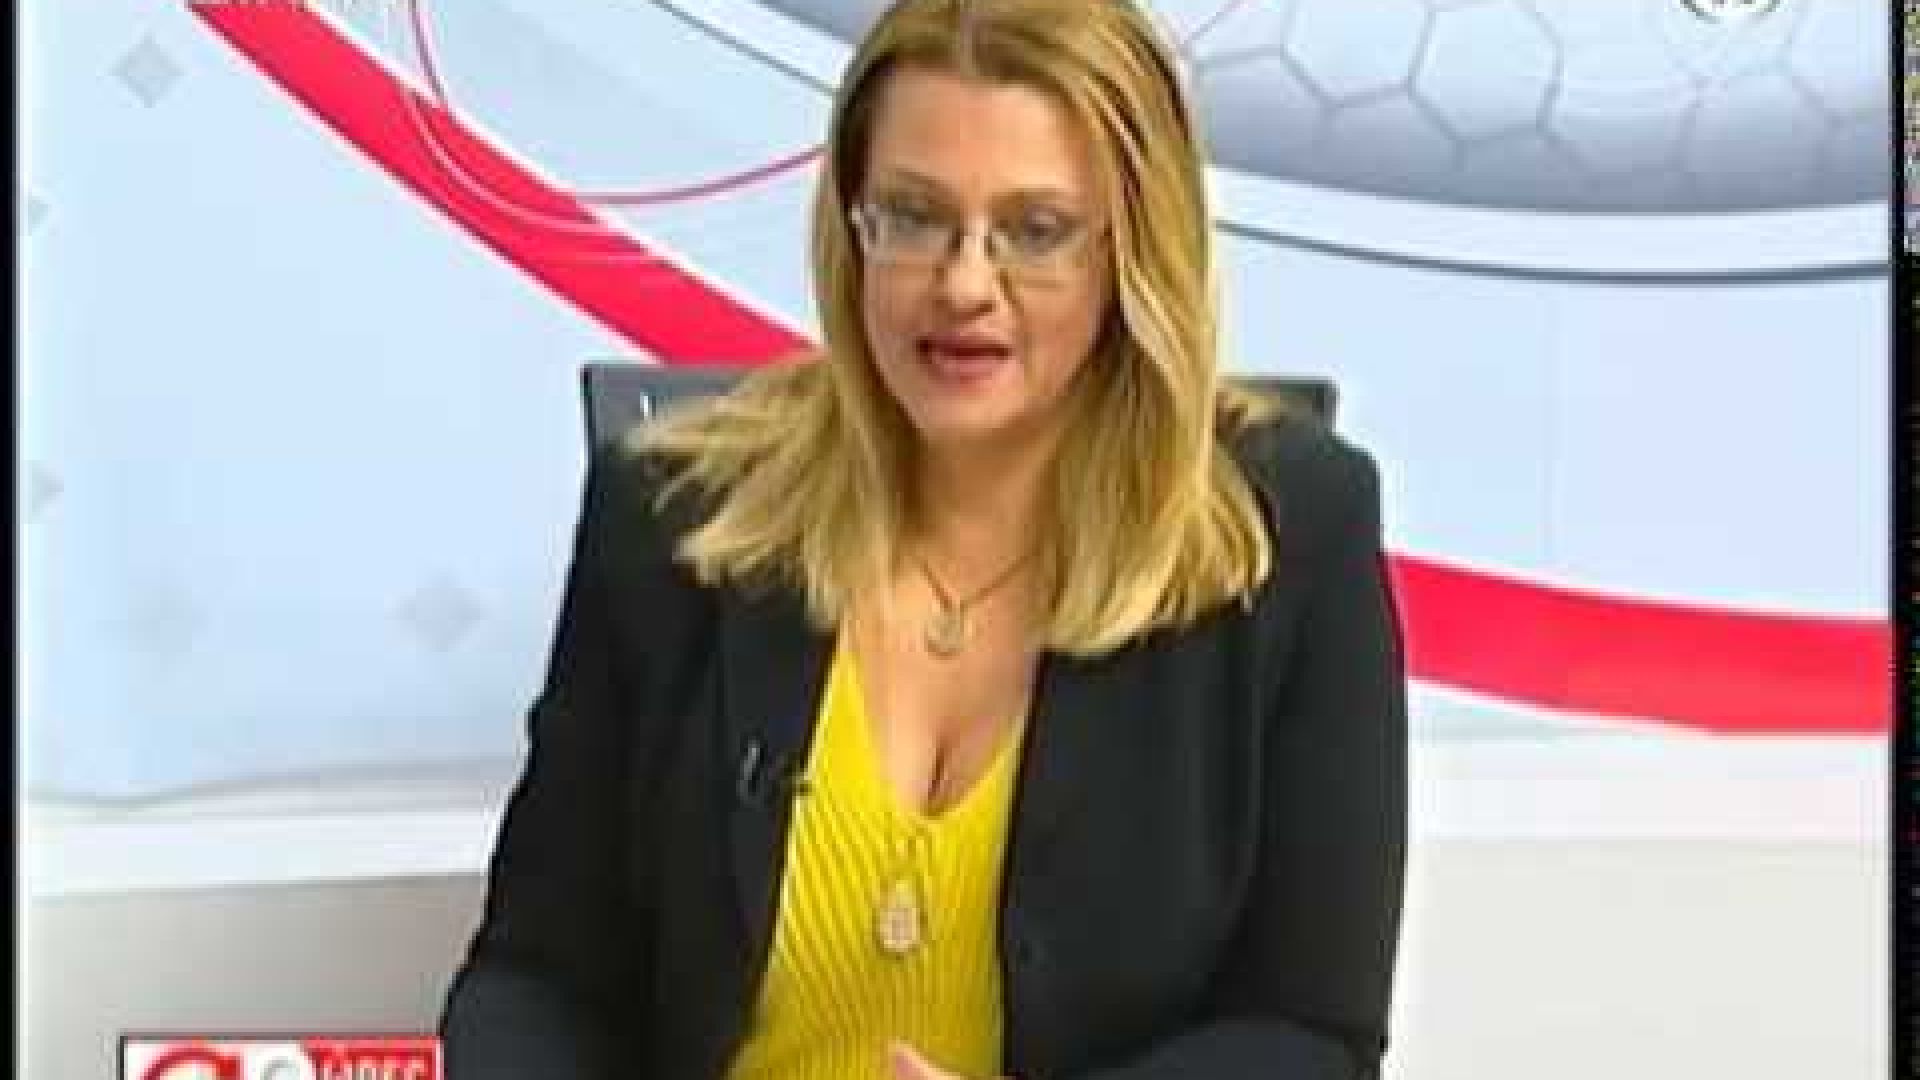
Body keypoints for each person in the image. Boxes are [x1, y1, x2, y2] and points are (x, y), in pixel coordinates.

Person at [439, 1, 1407, 1077]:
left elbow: (1310, 1034)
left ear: (1133, 247)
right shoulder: (675, 514)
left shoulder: (1291, 537)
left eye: (1034, 231)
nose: (964, 284)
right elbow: (538, 978)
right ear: (850, 226)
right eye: (912, 216)